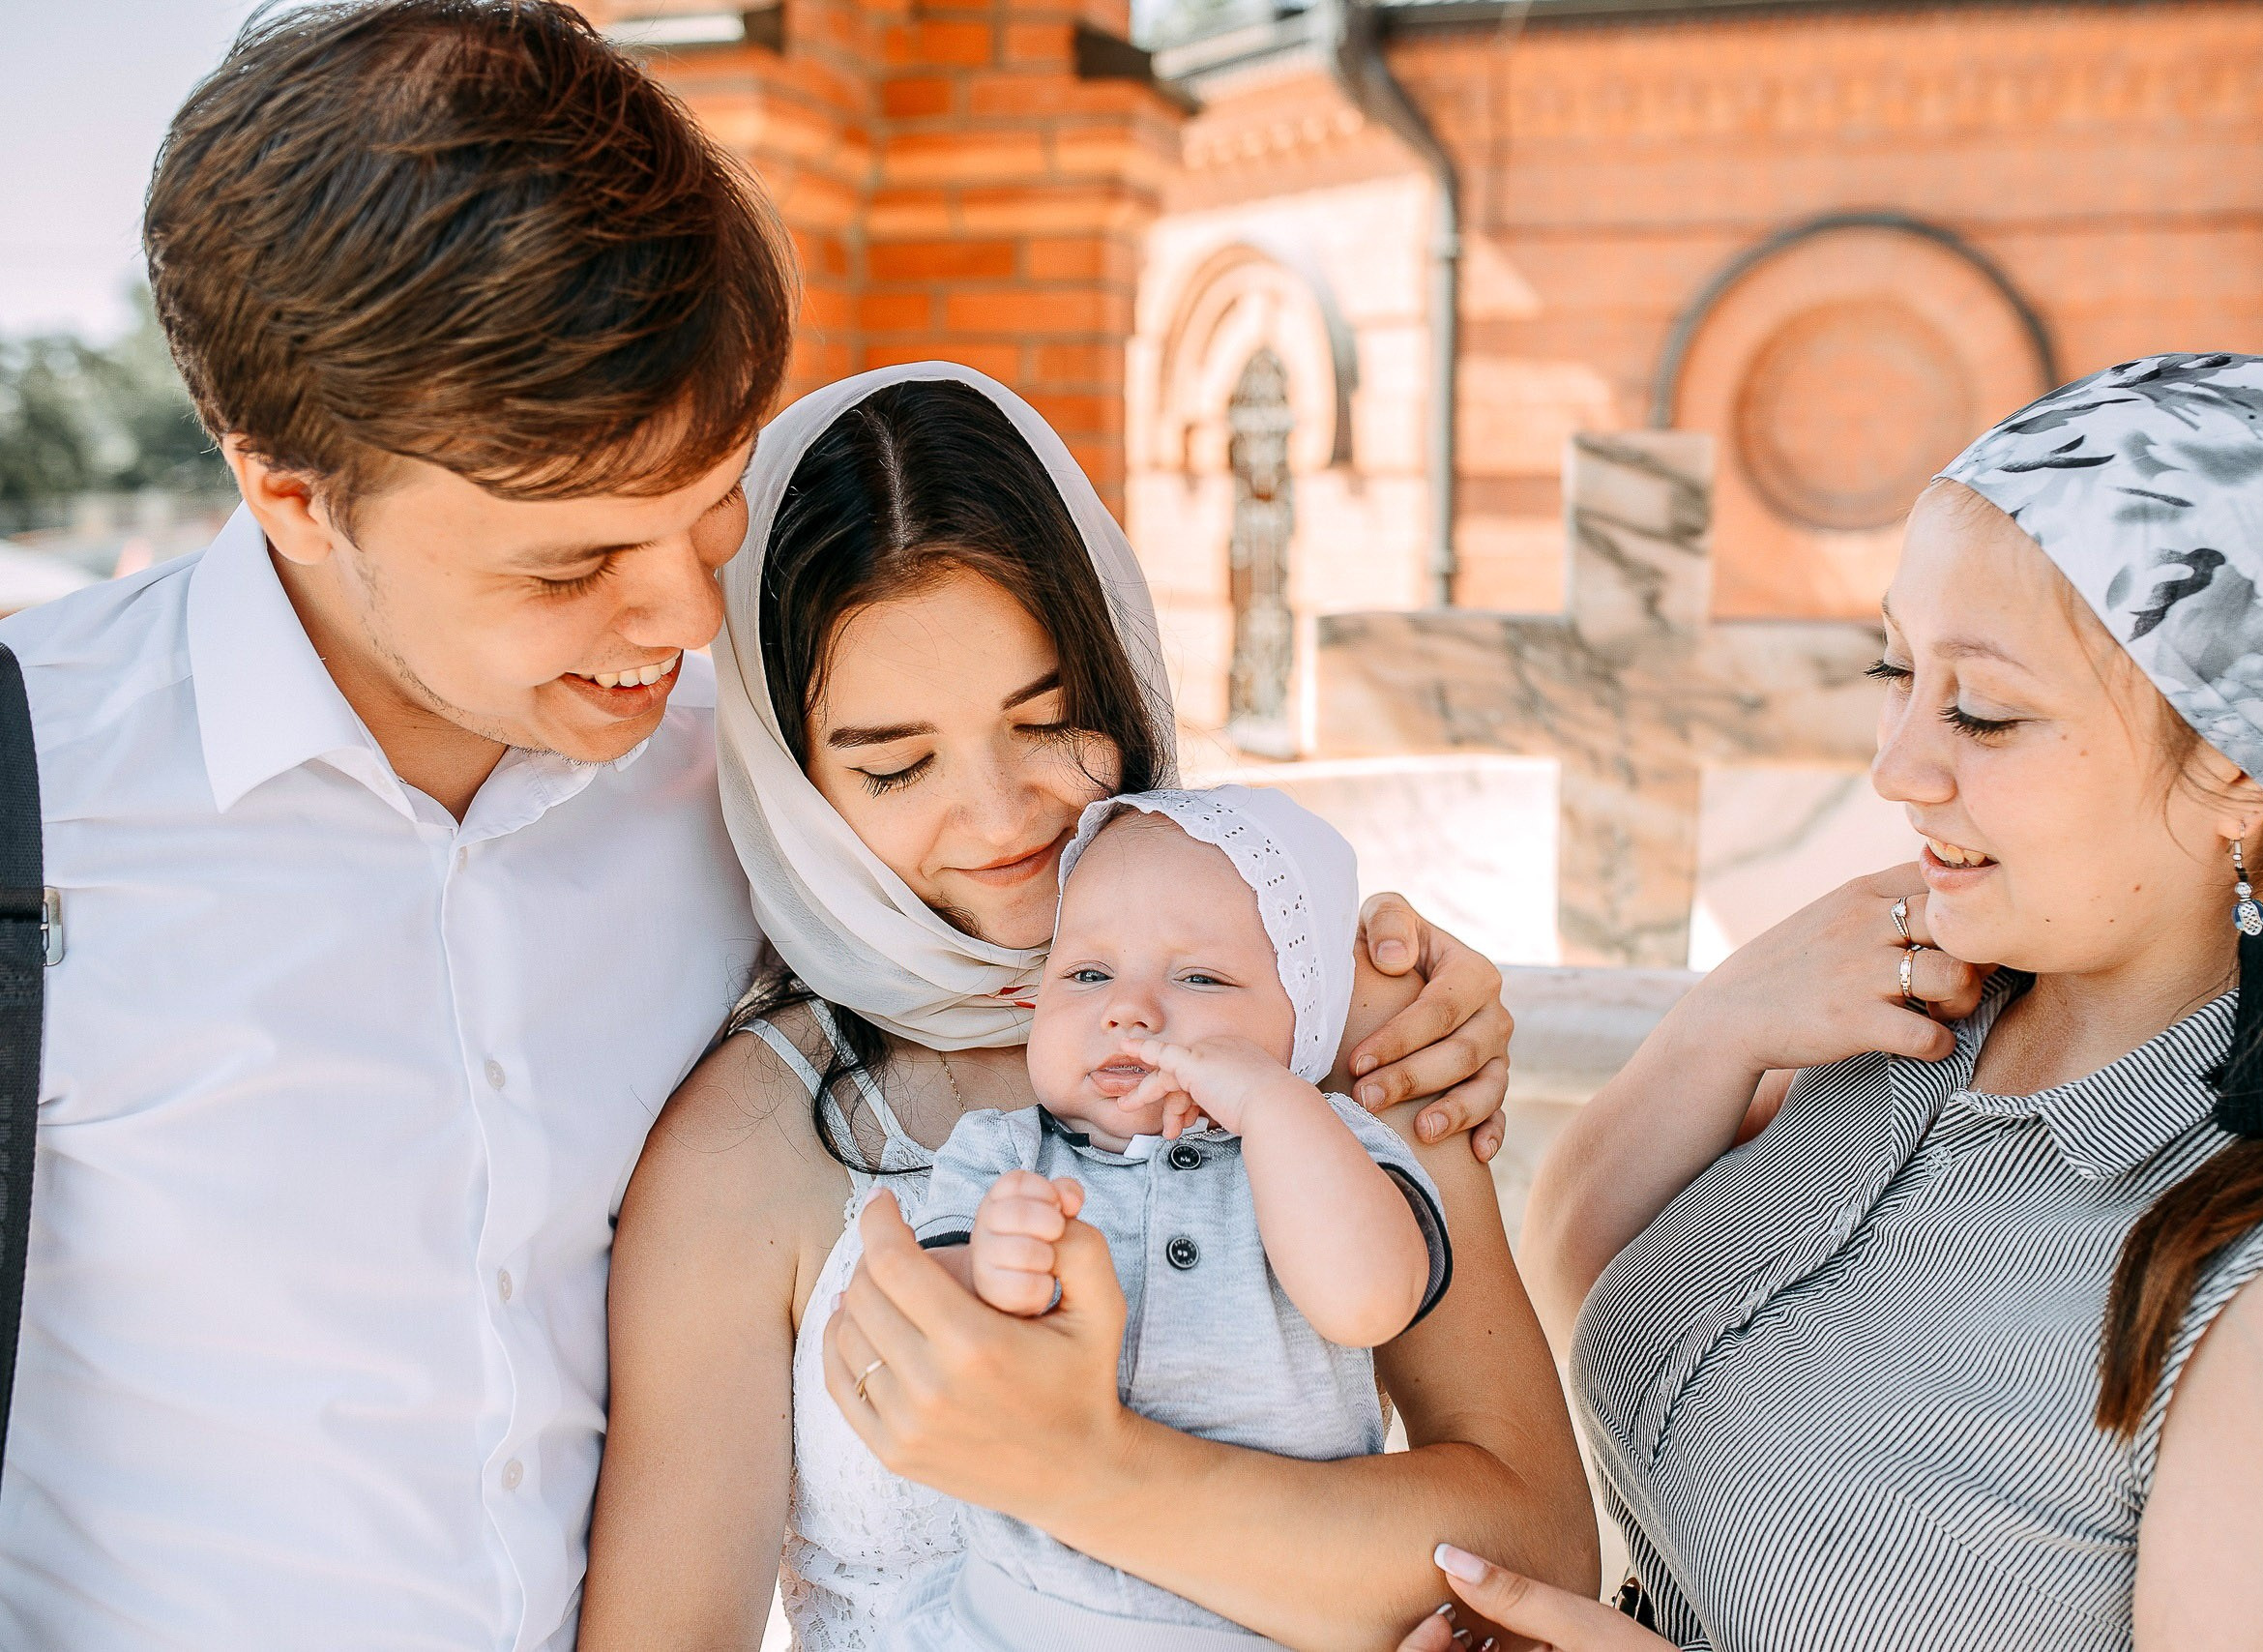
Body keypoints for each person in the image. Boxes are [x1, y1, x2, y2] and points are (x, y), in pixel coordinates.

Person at [1449, 354, 2263, 1650]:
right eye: (1898, 676)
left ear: (2236, 765)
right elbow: (1580, 1300)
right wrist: (1717, 1028)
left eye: (1983, 712)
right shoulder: (1900, 1004)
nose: (1896, 767)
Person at [579, 365, 1597, 1652]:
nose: (1002, 818)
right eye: (895, 765)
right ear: (792, 779)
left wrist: (1076, 1469)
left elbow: (1540, 1555)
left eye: (1048, 721)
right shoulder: (749, 1146)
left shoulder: (1327, 1002)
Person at [0, 6, 795, 1648]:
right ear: (288, 489)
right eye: (569, 564)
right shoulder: (35, 788)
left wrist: (1360, 1003)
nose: (687, 615)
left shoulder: (775, 793)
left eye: (712, 504)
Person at [895, 785, 1454, 1648]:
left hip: (1275, 1616)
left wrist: (1268, 1104)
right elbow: (928, 1337)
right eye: (1087, 974)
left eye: (1201, 978)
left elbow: (1369, 1302)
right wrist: (984, 1271)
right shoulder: (1003, 1156)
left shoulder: (1327, 1143)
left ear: (1305, 1024)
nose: (1130, 1010)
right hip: (1017, 1624)